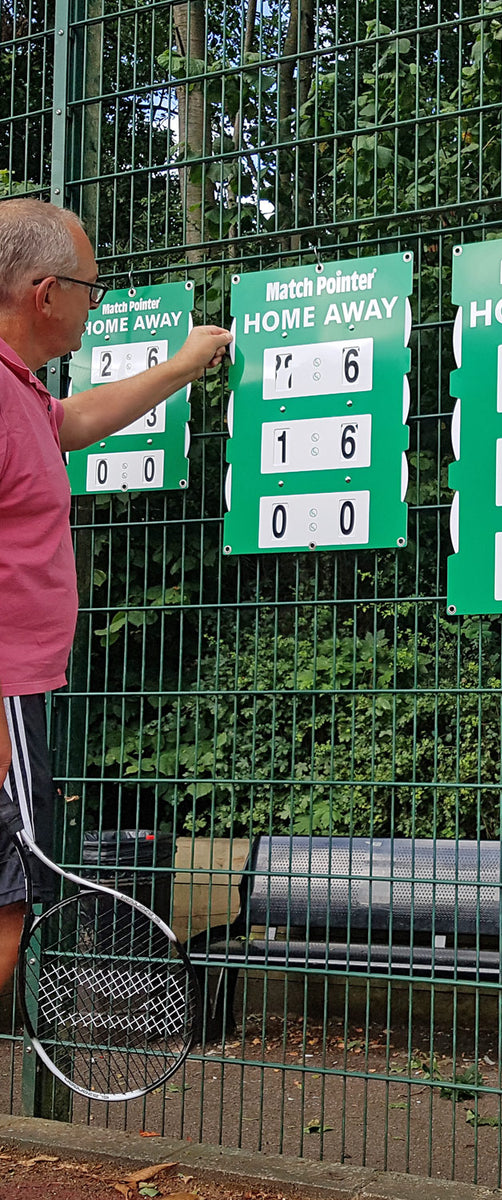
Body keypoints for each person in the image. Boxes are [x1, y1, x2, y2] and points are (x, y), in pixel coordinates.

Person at [0, 198, 232, 991]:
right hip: (3, 690)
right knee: (6, 903)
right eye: (89, 289)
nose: (95, 305)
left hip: (18, 689)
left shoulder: (21, 393)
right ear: (45, 294)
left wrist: (180, 366)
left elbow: (70, 421)